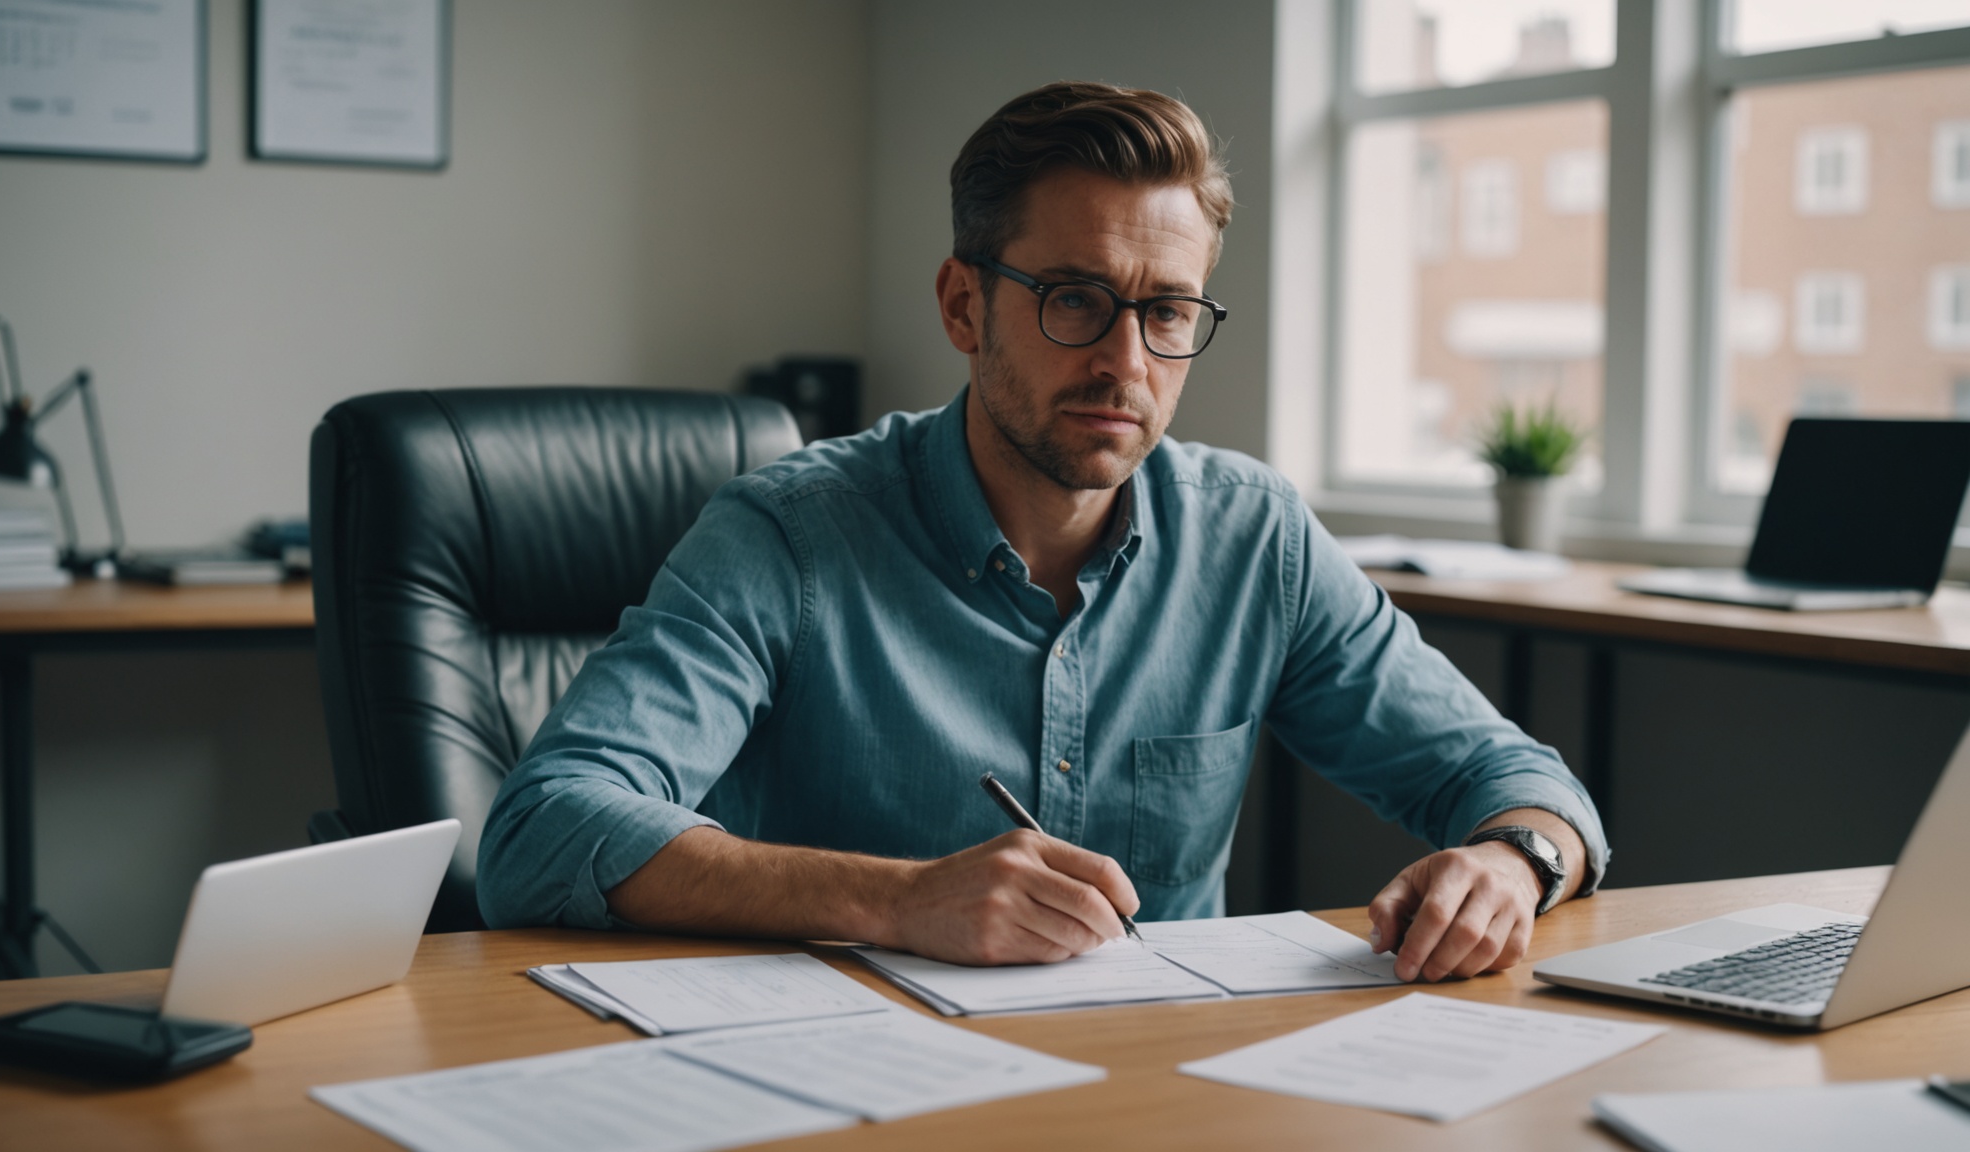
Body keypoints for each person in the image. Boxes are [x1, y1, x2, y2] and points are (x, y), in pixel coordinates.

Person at [478, 81, 1608, 983]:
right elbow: (543, 832)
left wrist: (1515, 860)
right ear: (964, 306)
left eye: (1167, 312)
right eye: (1075, 299)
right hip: (844, 1083)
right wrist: (900, 899)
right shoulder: (790, 534)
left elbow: (1516, 779)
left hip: (1153, 1091)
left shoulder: (1253, 538)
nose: (1126, 361)